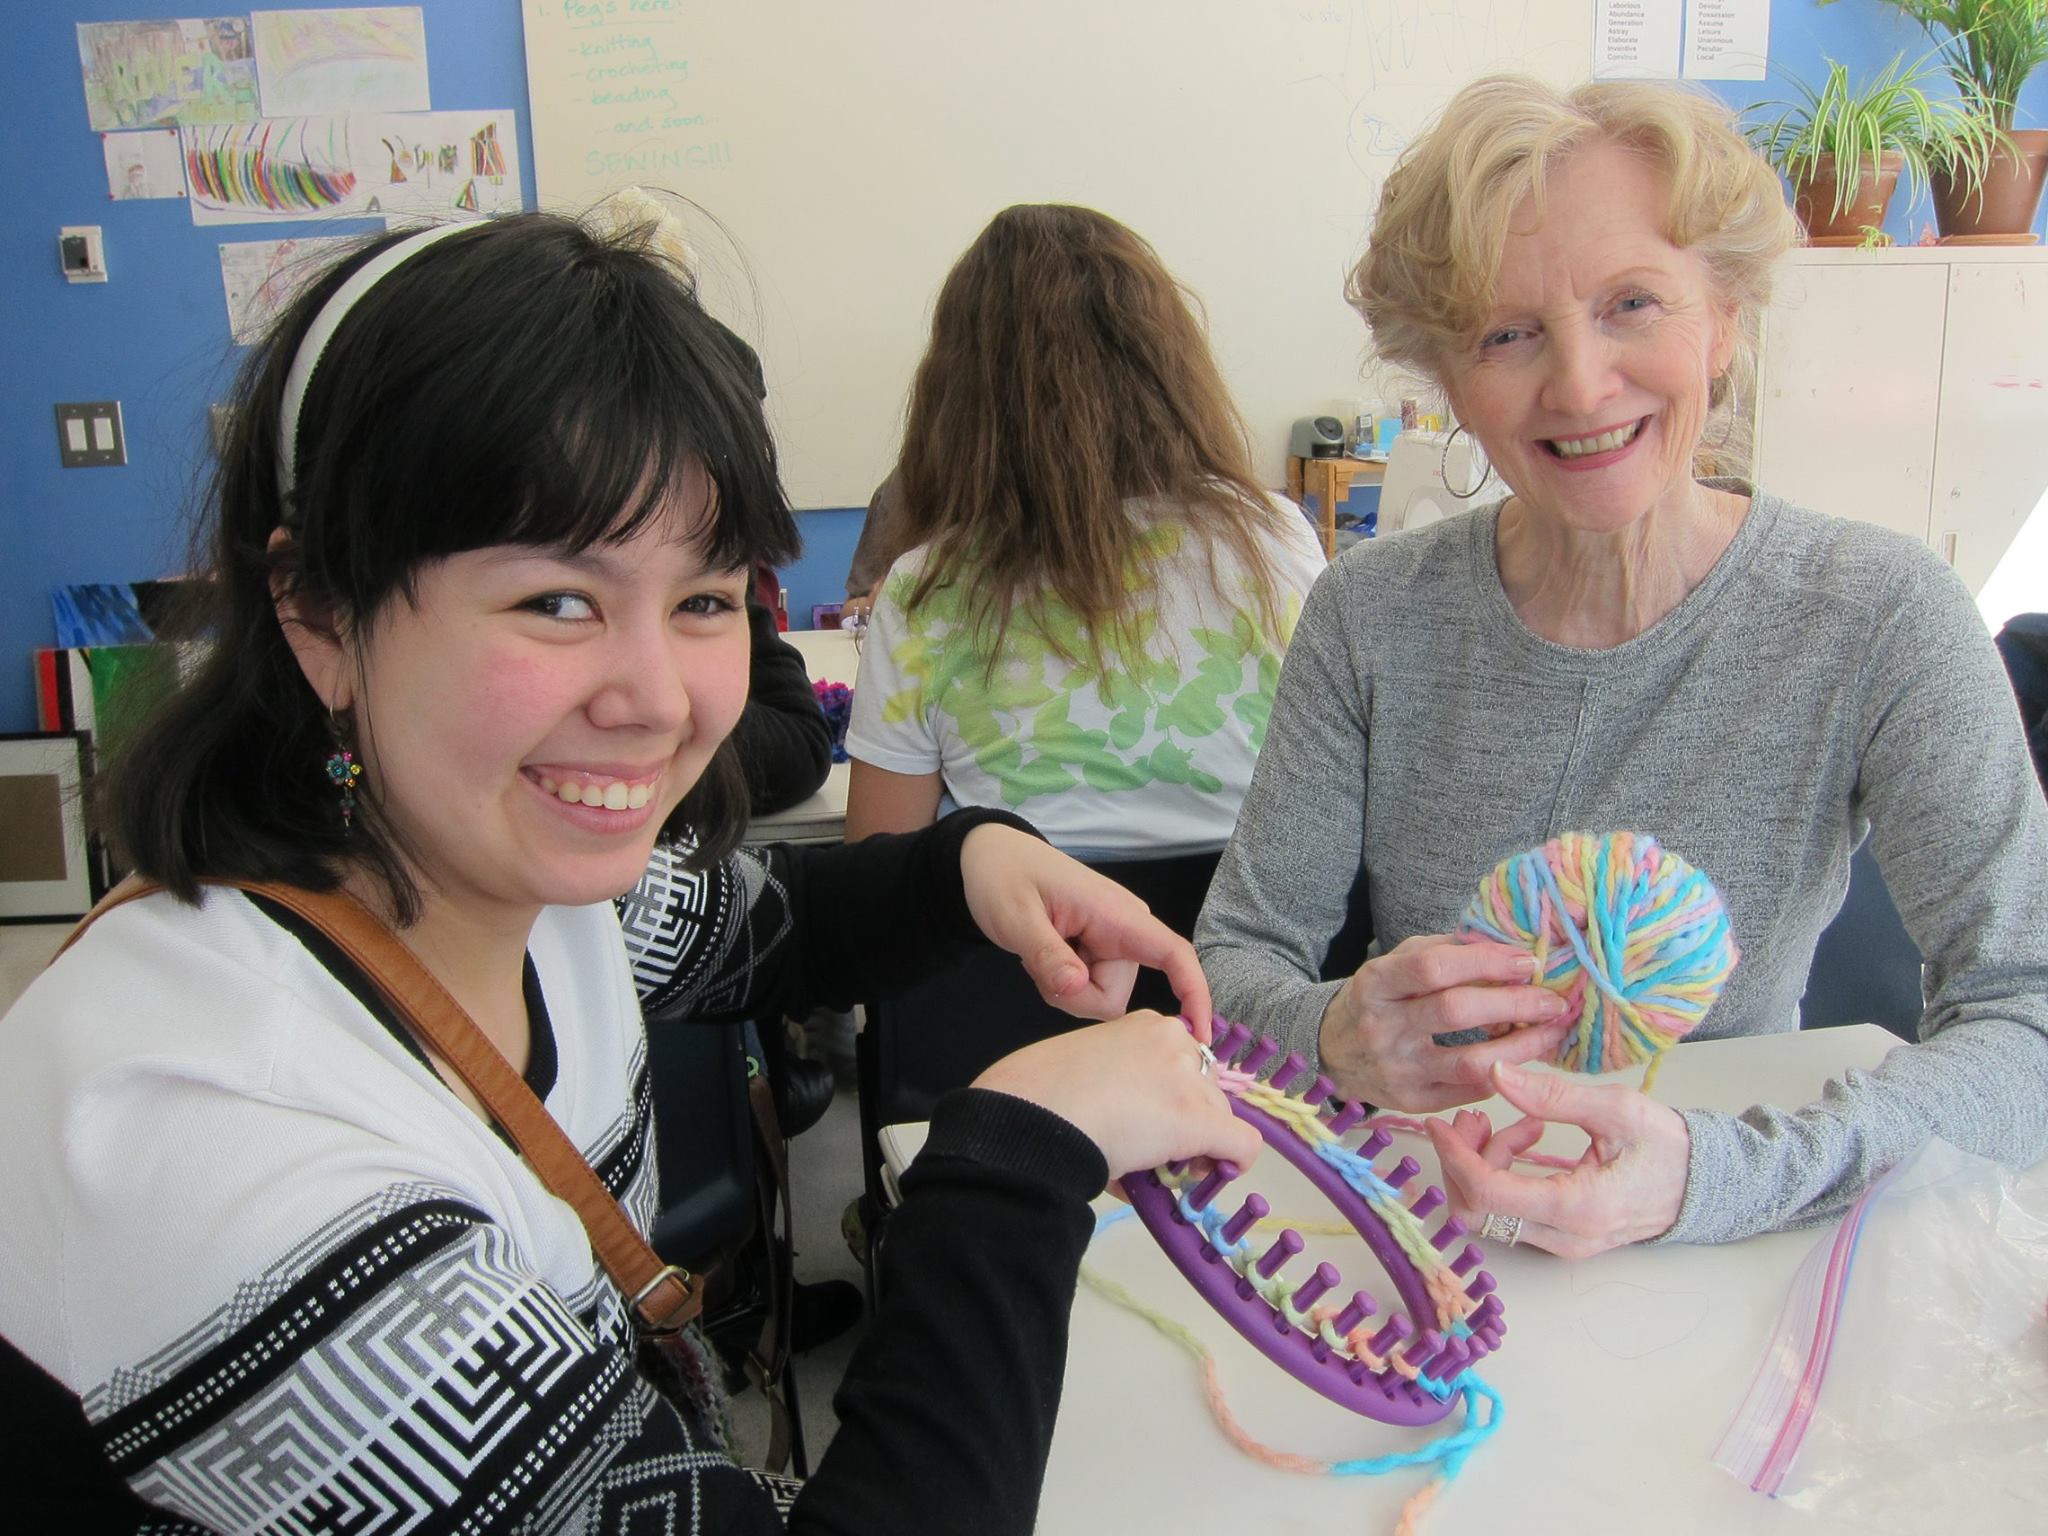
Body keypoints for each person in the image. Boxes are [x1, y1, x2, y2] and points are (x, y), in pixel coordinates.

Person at [0, 205, 1261, 1531]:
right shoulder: (217, 1152)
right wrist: (1014, 1163)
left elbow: (763, 929)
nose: (659, 700)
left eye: (706, 601)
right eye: (557, 601)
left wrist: (971, 863)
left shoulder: (476, 877)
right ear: (317, 614)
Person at [1195, 76, 2048, 1258]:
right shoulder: (1370, 619)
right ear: (1446, 382)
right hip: (1436, 1242)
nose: (1580, 385)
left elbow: (2028, 1010)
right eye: (1507, 334)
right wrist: (1334, 1030)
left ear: (1724, 321)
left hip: (1750, 1247)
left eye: (1631, 304)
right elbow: (1230, 971)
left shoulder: (1876, 616)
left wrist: (1717, 1176)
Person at [843, 203, 1326, 860]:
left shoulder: (925, 592)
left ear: (958, 394)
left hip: (1032, 960)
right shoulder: (1278, 541)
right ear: (1166, 362)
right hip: (1251, 958)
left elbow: (878, 876)